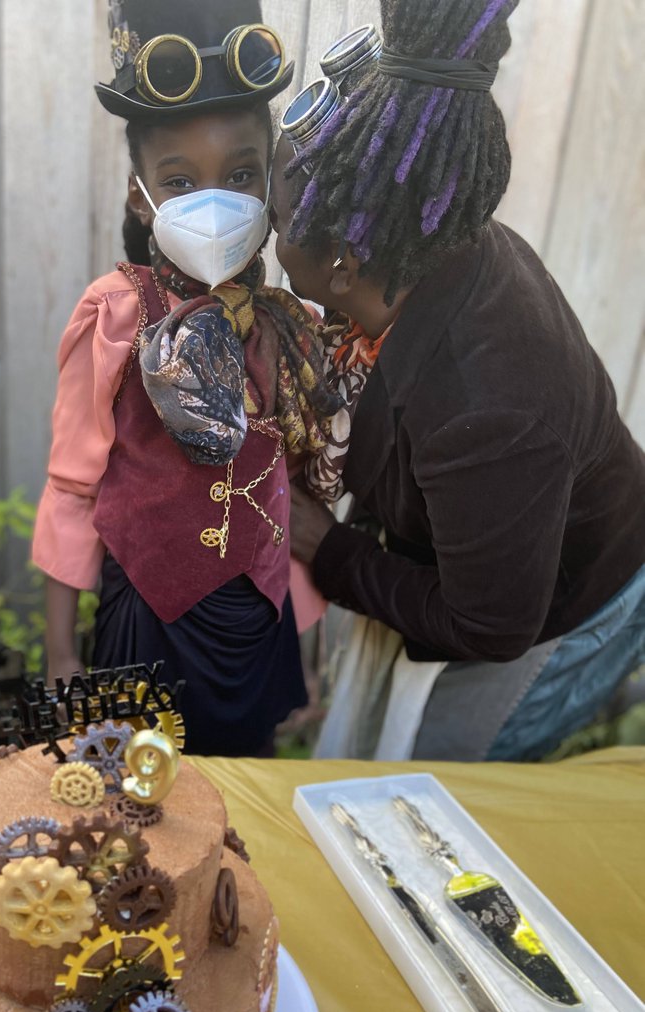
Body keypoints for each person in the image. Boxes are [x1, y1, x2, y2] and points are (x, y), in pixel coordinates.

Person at [269, 0, 645, 762]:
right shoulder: (426, 242)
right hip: (500, 548)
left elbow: (492, 626)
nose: (266, 232)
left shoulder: (492, 406)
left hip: (559, 612)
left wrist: (331, 551)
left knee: (435, 796)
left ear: (343, 263)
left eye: (276, 221)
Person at [32, 0, 339, 756]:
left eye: (240, 174)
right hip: (149, 617)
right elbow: (72, 489)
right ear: (142, 195)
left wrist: (303, 644)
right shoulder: (116, 317)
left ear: (272, 181)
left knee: (244, 798)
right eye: (179, 180)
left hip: (256, 624)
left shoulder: (287, 327)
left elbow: (283, 495)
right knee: (143, 809)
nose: (214, 202)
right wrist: (62, 655)